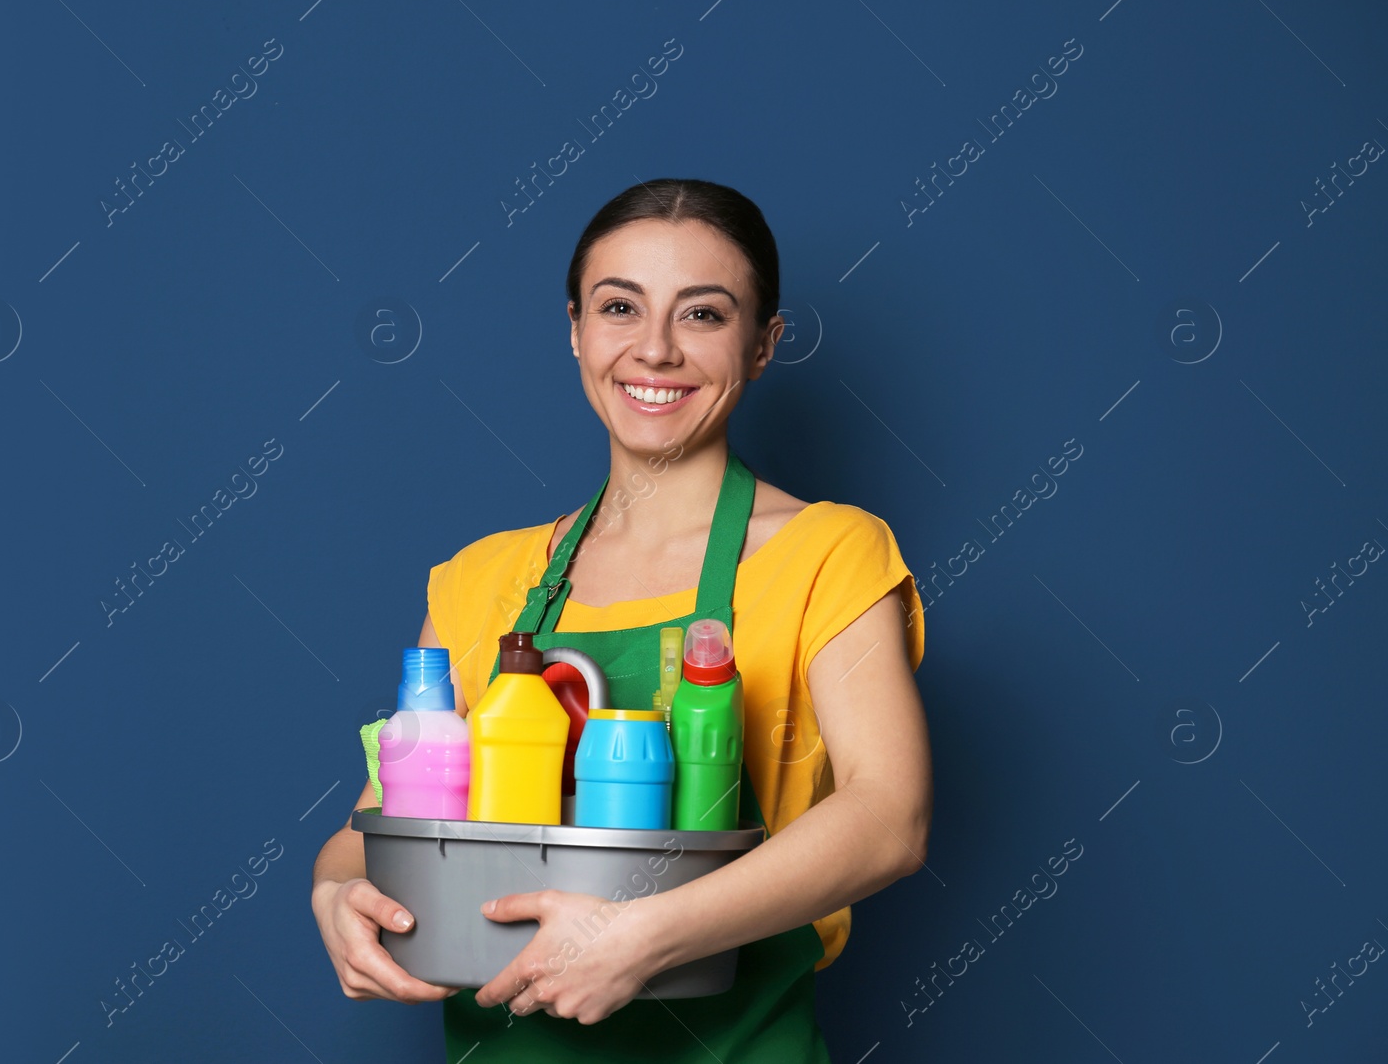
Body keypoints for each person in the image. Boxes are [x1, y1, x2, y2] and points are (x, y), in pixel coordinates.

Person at [312, 178, 932, 1061]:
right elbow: (372, 823)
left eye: (704, 315)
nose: (655, 349)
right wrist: (334, 894)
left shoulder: (829, 553)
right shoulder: (482, 578)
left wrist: (646, 937)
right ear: (575, 329)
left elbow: (889, 816)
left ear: (763, 345)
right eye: (619, 307)